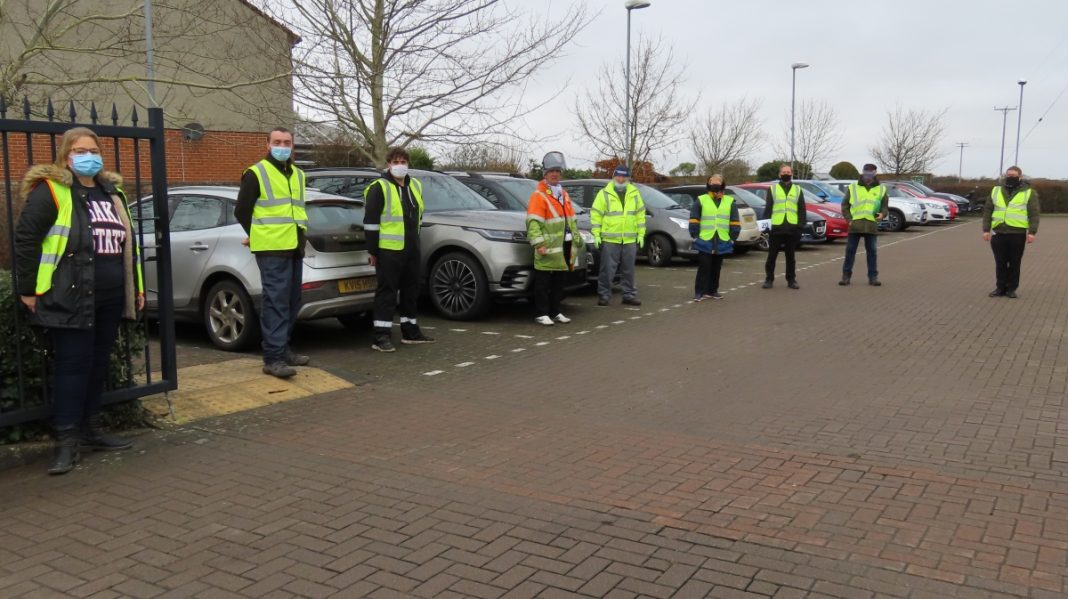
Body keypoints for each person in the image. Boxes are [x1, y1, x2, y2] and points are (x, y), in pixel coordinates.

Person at [15, 127, 144, 475]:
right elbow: (26, 240)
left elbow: (126, 246)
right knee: (72, 366)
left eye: (93, 149)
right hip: (68, 294)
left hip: (110, 295)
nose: (88, 155)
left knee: (97, 363)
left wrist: (137, 289)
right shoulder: (52, 191)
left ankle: (90, 429)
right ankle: (66, 440)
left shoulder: (110, 192)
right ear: (66, 155)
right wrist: (28, 289)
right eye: (79, 149)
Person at [235, 127, 311, 376]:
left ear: (292, 146)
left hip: (293, 246)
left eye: (287, 142)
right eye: (277, 142)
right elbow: (242, 211)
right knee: (276, 302)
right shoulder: (256, 173)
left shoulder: (298, 174)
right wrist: (257, 234)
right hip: (271, 248)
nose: (283, 146)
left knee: (291, 301)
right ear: (267, 145)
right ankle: (273, 358)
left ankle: (282, 349)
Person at [362, 147, 434, 351]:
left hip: (411, 247)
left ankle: (410, 331)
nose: (400, 165)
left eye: (403, 161)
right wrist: (373, 251)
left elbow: (418, 216)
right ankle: (381, 336)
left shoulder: (415, 186)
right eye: (396, 161)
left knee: (411, 290)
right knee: (387, 292)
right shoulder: (379, 187)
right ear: (388, 164)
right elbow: (371, 222)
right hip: (388, 250)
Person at [527, 151, 582, 325]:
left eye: (557, 171)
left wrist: (577, 238)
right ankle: (541, 313)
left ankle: (556, 311)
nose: (555, 174)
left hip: (563, 244)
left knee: (559, 281)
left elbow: (571, 218)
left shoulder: (563, 194)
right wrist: (539, 243)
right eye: (551, 171)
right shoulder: (539, 195)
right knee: (543, 281)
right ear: (545, 174)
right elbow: (533, 222)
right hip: (548, 245)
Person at [591, 165, 646, 307]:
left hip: (629, 238)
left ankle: (629, 295)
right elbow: (596, 215)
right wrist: (596, 235)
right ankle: (604, 295)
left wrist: (641, 234)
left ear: (628, 178)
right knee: (607, 269)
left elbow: (640, 214)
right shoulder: (604, 194)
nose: (621, 179)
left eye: (624, 177)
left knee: (629, 269)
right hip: (610, 238)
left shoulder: (634, 193)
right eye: (618, 176)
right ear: (614, 176)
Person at [982, 166, 1039, 298]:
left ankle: (1011, 289)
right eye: (1008, 175)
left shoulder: (1029, 192)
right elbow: (988, 211)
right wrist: (986, 229)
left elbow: (1034, 214)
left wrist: (1032, 232)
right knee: (1000, 262)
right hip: (999, 233)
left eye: (1013, 175)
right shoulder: (996, 190)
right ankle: (1000, 288)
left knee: (1014, 263)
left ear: (1020, 177)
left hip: (1017, 234)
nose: (1010, 177)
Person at [689, 174, 740, 301]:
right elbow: (694, 219)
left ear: (723, 184)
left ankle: (712, 291)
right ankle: (700, 292)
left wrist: (733, 238)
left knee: (716, 267)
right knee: (704, 267)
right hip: (705, 239)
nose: (715, 182)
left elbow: (735, 222)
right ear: (708, 183)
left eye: (718, 180)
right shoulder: (701, 199)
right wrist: (695, 236)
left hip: (722, 239)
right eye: (712, 180)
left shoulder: (729, 201)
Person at [839, 164, 888, 286]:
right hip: (855, 225)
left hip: (871, 225)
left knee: (872, 252)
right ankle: (846, 276)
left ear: (875, 173)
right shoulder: (853, 187)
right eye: (866, 173)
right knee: (850, 252)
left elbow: (885, 207)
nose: (868, 176)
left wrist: (882, 214)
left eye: (871, 173)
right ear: (862, 173)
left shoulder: (881, 189)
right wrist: (849, 220)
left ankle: (873, 277)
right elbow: (845, 205)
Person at [762, 164, 807, 289]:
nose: (786, 174)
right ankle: (769, 279)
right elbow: (768, 208)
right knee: (771, 256)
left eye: (788, 171)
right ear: (779, 174)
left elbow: (802, 210)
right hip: (776, 228)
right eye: (784, 172)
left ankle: (791, 280)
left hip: (792, 229)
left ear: (792, 174)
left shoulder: (798, 189)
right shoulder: (773, 189)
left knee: (791, 257)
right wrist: (766, 226)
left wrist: (800, 226)